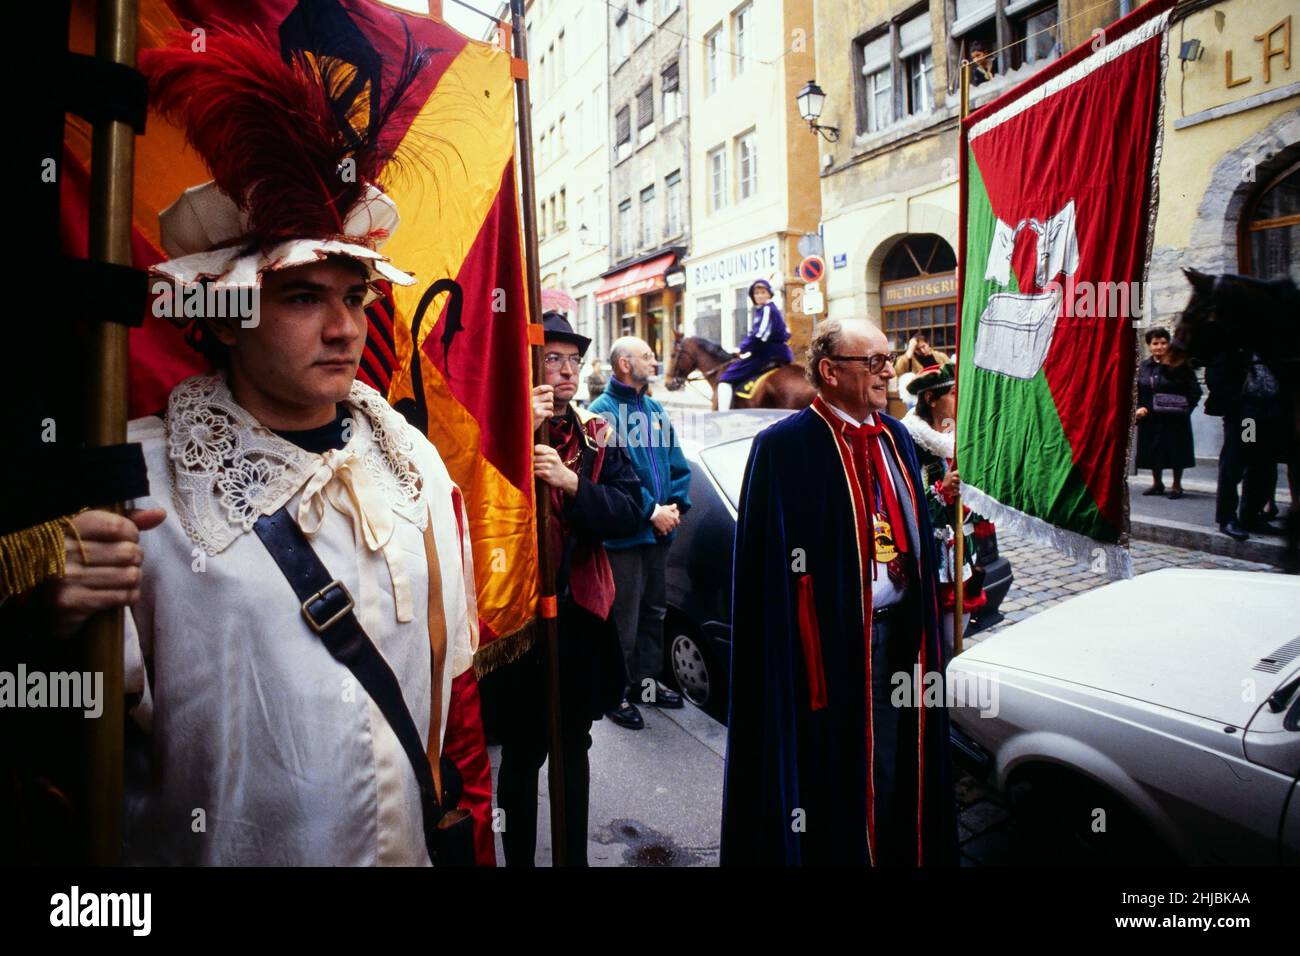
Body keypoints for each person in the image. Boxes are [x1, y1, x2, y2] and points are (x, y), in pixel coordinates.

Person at [33, 30, 480, 865]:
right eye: (305, 297)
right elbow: (58, 744)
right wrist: (49, 619)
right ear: (232, 312)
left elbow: (452, 695)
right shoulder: (135, 477)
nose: (347, 328)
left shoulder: (414, 465)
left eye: (355, 295)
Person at [721, 318, 957, 866]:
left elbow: (912, 534)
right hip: (827, 657)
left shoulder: (897, 436)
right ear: (829, 371)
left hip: (901, 638)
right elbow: (766, 576)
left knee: (899, 764)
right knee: (838, 777)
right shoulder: (784, 447)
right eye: (871, 362)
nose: (885, 373)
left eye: (887, 358)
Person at [476, 312, 643, 866]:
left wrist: (573, 484)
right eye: (553, 358)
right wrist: (518, 434)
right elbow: (472, 505)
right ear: (529, 365)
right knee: (522, 754)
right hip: (520, 622)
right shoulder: (496, 429)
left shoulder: (597, 434)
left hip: (579, 618)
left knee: (574, 745)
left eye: (573, 359)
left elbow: (629, 510)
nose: (567, 370)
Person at [588, 336, 693, 729]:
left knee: (654, 612)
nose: (655, 360)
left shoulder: (654, 408)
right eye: (648, 355)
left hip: (659, 534)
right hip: (625, 536)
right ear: (624, 365)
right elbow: (610, 477)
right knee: (623, 618)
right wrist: (651, 512)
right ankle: (616, 693)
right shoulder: (599, 415)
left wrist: (676, 507)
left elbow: (677, 465)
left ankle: (646, 684)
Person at [902, 364, 987, 651]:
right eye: (953, 392)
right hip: (929, 559)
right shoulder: (908, 441)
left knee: (957, 640)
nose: (959, 398)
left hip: (963, 554)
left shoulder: (962, 438)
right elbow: (903, 500)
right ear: (931, 398)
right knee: (937, 644)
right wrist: (941, 491)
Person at [1204, 346, 1286, 541]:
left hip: (1271, 410)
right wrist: (1235, 403)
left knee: (1264, 464)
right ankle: (1228, 518)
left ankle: (1251, 516)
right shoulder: (1236, 344)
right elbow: (1215, 373)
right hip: (1247, 413)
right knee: (1240, 459)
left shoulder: (1272, 345)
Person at [1135, 327, 1201, 499]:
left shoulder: (1179, 365)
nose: (1159, 347)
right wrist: (1138, 407)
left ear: (1169, 344)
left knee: (1176, 449)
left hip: (1175, 417)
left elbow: (1195, 391)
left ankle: (1177, 485)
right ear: (1149, 346)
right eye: (1155, 343)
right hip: (1151, 416)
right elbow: (1136, 390)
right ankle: (1157, 483)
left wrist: (1186, 409)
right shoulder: (1143, 367)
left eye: (1163, 343)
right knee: (1153, 450)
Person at [717, 279, 793, 410]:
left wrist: (742, 349)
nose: (759, 295)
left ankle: (722, 414)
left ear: (769, 294)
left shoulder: (767, 310)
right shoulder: (772, 310)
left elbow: (759, 335)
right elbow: (787, 332)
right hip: (780, 353)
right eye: (756, 293)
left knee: (726, 378)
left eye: (763, 292)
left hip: (767, 354)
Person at [893, 330, 949, 407]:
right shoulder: (911, 359)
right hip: (918, 397)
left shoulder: (940, 356)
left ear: (928, 343)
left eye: (923, 346)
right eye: (918, 349)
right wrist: (910, 350)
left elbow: (949, 371)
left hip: (940, 394)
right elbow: (898, 370)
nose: (922, 351)